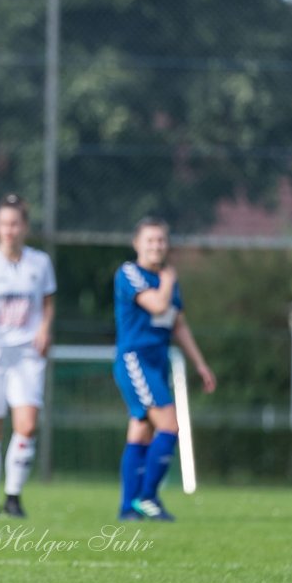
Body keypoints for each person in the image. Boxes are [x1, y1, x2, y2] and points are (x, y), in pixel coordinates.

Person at [113, 217, 216, 521]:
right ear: (137, 244)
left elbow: (177, 324)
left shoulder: (170, 282)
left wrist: (200, 363)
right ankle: (147, 498)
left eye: (161, 240)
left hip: (156, 365)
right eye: (150, 240)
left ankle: (128, 507)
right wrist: (168, 280)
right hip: (136, 361)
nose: (156, 246)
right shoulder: (129, 273)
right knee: (170, 426)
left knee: (141, 432)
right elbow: (157, 306)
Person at [0, 194, 57, 519]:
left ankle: (13, 496)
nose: (9, 230)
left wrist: (44, 329)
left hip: (27, 356)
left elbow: (47, 303)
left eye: (15, 223)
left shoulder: (39, 263)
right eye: (3, 223)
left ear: (24, 227)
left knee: (27, 426)